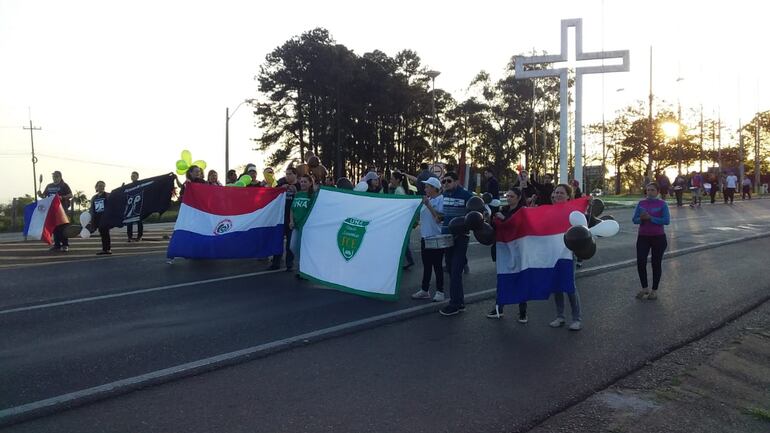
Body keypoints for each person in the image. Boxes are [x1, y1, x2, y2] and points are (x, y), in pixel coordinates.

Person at [486, 187, 528, 323]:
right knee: (503, 278)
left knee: (520, 280)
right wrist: (490, 219)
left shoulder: (523, 211)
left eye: (511, 196)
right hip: (503, 249)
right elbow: (495, 228)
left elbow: (519, 226)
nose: (508, 198)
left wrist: (504, 219)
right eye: (507, 196)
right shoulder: (502, 210)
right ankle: (499, 308)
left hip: (518, 250)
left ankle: (523, 312)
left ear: (519, 198)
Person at [548, 183, 583, 331]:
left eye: (561, 193)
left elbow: (580, 229)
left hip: (568, 253)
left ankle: (576, 319)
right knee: (556, 285)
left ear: (568, 196)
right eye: (556, 192)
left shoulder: (572, 211)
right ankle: (560, 316)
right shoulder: (549, 211)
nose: (558, 195)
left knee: (569, 286)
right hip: (553, 252)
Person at [438, 172, 473, 317]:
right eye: (444, 181)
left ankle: (454, 304)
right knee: (452, 270)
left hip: (460, 237)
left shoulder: (466, 195)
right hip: (447, 237)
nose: (446, 184)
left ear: (457, 182)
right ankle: (460, 302)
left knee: (456, 271)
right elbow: (443, 214)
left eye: (449, 181)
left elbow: (479, 208)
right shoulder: (444, 195)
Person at [632, 182, 670, 300]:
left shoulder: (662, 204)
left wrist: (651, 218)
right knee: (641, 262)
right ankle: (644, 288)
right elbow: (634, 220)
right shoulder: (641, 203)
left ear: (658, 192)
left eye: (652, 190)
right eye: (648, 190)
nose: (650, 192)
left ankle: (654, 290)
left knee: (656, 263)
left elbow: (666, 220)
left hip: (658, 237)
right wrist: (641, 219)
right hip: (643, 237)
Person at [411, 177, 446, 302]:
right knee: (427, 266)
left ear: (434, 188)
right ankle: (425, 290)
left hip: (436, 238)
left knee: (437, 266)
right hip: (425, 238)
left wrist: (428, 205)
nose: (425, 189)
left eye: (427, 187)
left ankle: (440, 291)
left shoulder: (441, 200)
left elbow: (439, 217)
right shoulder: (428, 200)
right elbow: (421, 218)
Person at [270, 167, 299, 270]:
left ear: (295, 175)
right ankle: (276, 263)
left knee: (290, 243)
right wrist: (281, 188)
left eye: (290, 174)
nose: (288, 176)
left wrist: (296, 192)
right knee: (278, 241)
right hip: (281, 218)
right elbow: (271, 193)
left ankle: (289, 264)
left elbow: (305, 196)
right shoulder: (281, 184)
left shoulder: (299, 185)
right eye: (286, 174)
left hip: (292, 219)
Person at [38, 171, 73, 252]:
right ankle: (57, 245)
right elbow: (44, 196)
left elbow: (70, 195)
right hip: (51, 210)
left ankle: (65, 245)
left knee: (63, 228)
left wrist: (62, 197)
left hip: (62, 210)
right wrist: (40, 194)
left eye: (56, 176)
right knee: (54, 228)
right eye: (54, 176)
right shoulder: (49, 186)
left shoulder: (64, 185)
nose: (55, 178)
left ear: (60, 177)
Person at [288, 173, 314, 279]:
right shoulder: (298, 194)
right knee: (292, 246)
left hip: (306, 228)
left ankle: (303, 270)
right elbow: (292, 209)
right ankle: (301, 265)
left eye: (305, 182)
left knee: (304, 248)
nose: (302, 183)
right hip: (296, 226)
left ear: (310, 183)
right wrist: (291, 221)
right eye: (301, 181)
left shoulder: (312, 195)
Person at [390, 171, 416, 269]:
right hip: (404, 220)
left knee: (402, 242)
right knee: (403, 242)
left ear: (397, 180)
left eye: (392, 178)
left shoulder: (399, 191)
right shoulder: (401, 189)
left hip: (401, 220)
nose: (390, 180)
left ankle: (407, 261)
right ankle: (409, 260)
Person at [90, 181, 111, 255]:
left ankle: (107, 249)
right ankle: (105, 249)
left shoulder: (107, 195)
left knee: (106, 233)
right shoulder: (94, 197)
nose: (101, 187)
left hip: (105, 217)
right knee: (102, 233)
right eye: (100, 186)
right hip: (97, 217)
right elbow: (92, 208)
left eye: (103, 186)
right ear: (96, 187)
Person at [126, 171, 144, 242]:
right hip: (130, 206)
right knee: (129, 222)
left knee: (139, 221)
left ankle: (139, 236)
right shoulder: (129, 186)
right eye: (132, 176)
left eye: (134, 176)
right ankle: (129, 236)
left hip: (139, 205)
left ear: (137, 177)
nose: (132, 177)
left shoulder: (141, 184)